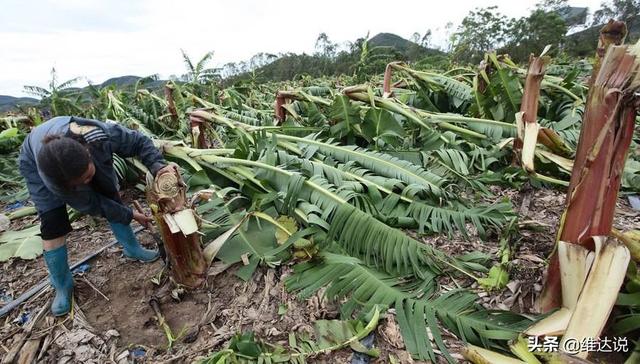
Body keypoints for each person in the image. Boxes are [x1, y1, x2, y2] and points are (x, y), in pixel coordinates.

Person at [18, 116, 172, 316]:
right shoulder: (53, 179)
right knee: (53, 223)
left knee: (108, 190)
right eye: (78, 184)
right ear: (67, 185)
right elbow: (92, 204)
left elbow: (138, 141)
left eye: (87, 176)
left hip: (73, 148)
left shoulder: (99, 135)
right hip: (33, 158)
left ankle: (132, 249)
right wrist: (131, 214)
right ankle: (63, 286)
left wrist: (159, 166)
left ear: (88, 153)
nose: (86, 183)